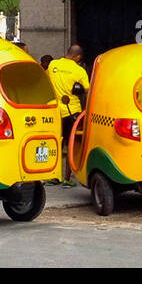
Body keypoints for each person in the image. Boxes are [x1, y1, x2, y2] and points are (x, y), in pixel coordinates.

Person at [47, 44, 89, 186]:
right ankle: (67, 178)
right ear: (78, 57)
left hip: (55, 111)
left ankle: (53, 176)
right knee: (72, 145)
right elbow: (88, 91)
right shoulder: (79, 71)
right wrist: (88, 110)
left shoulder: (53, 64)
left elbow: (46, 81)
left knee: (55, 143)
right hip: (73, 112)